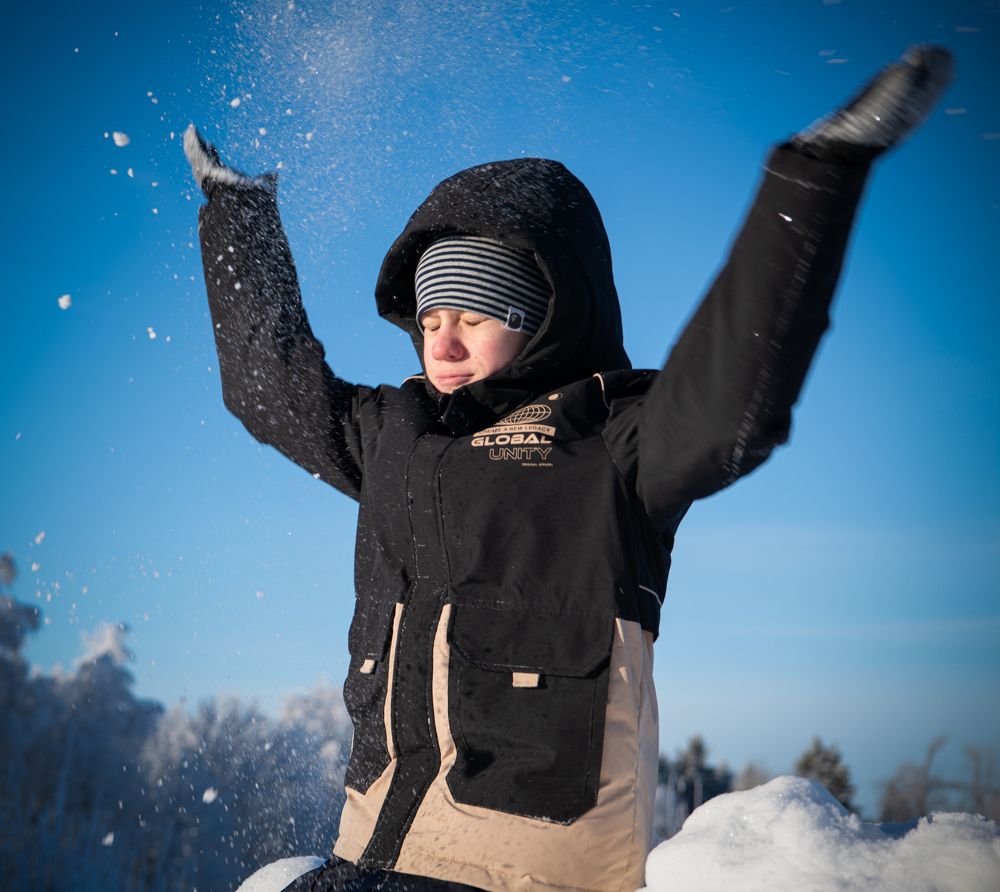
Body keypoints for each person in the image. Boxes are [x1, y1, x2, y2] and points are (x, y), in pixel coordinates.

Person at [185, 46, 952, 892]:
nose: (441, 340)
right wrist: (239, 218)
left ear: (546, 312)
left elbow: (732, 397)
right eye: (432, 314)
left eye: (475, 313)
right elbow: (270, 390)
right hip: (368, 857)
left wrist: (817, 176)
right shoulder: (392, 435)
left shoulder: (615, 444)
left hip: (526, 878)